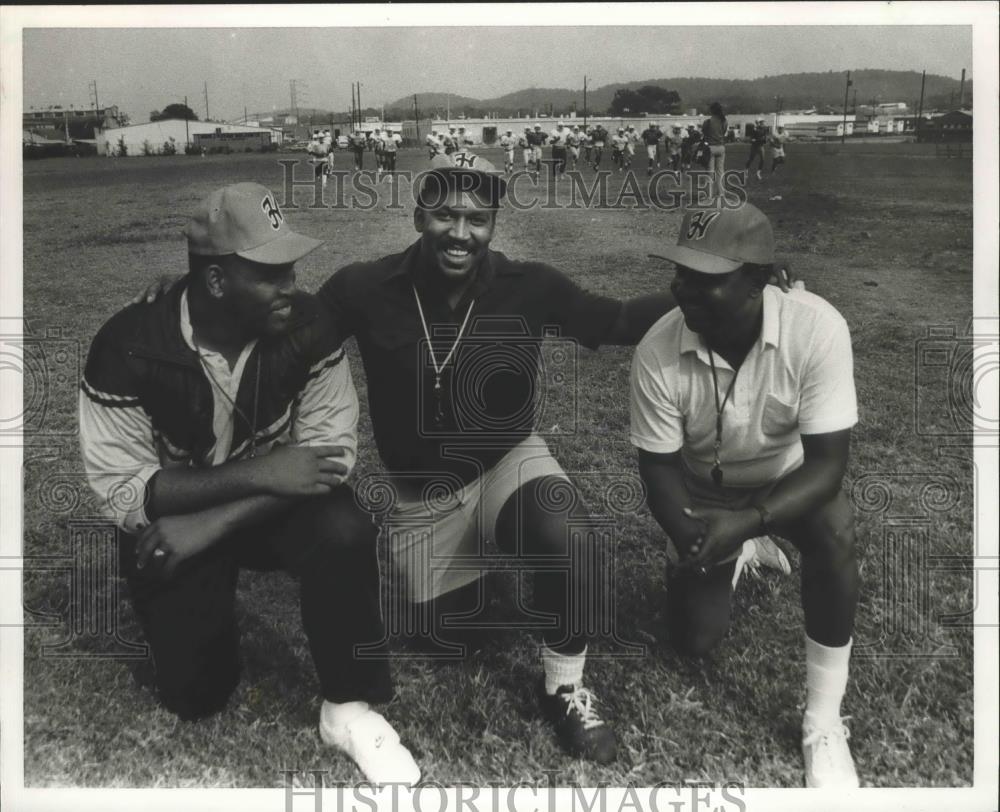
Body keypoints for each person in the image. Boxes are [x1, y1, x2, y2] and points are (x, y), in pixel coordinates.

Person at [81, 183, 420, 785]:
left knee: (343, 524)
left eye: (289, 267)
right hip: (178, 521)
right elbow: (123, 488)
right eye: (270, 273)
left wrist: (213, 522)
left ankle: (347, 706)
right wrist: (263, 470)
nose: (290, 284)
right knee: (195, 696)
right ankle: (206, 610)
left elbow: (330, 457)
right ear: (215, 283)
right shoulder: (127, 344)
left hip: (239, 515)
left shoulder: (308, 325)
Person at [630, 203, 859, 788]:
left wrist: (753, 519)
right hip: (705, 495)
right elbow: (657, 471)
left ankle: (823, 720)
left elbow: (829, 467)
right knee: (693, 641)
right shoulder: (658, 348)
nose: (685, 291)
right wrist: (693, 535)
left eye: (707, 279)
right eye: (681, 274)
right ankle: (734, 555)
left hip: (788, 484)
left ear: (760, 279)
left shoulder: (817, 327)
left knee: (834, 529)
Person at [701, 102, 728, 196]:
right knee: (720, 171)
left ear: (712, 110)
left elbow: (704, 132)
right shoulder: (724, 121)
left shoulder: (707, 122)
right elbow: (724, 132)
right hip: (721, 147)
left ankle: (709, 195)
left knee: (710, 172)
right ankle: (721, 193)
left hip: (710, 147)